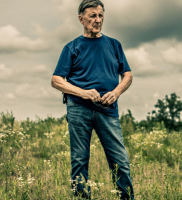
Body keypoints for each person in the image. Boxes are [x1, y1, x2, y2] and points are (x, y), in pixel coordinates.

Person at [51, 0, 134, 199]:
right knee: (79, 160)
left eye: (100, 16)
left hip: (108, 110)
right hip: (79, 108)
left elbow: (128, 75)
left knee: (120, 161)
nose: (98, 20)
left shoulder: (114, 44)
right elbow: (56, 80)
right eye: (93, 16)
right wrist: (83, 92)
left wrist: (116, 92)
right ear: (81, 19)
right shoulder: (71, 47)